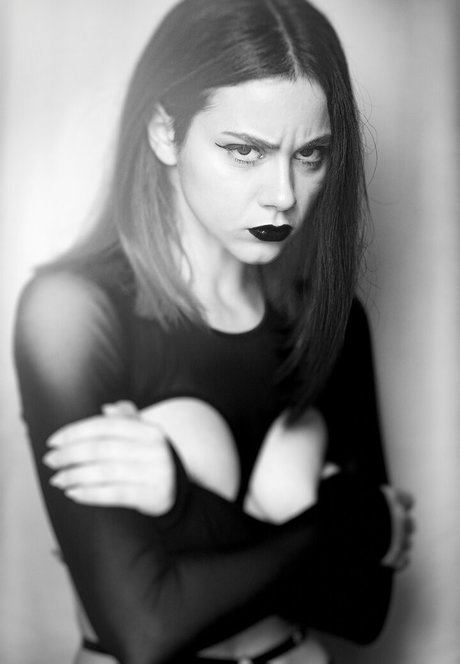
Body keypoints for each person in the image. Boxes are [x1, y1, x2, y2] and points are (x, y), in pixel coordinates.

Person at [13, 0, 415, 662]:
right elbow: (144, 630)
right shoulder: (72, 316)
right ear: (165, 133)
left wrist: (180, 504)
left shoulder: (334, 321)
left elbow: (365, 610)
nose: (283, 194)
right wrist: (348, 524)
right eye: (244, 150)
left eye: (310, 154)